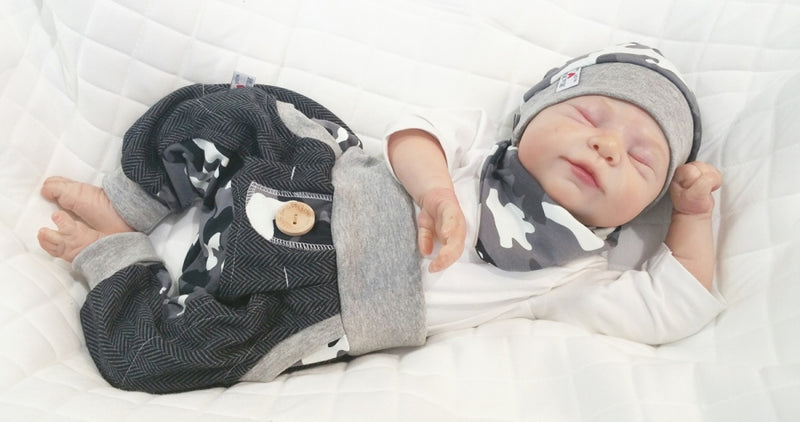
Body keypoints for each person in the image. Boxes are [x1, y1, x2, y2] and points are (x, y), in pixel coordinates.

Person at [37, 43, 724, 394]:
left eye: (642, 157)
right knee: (229, 110)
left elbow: (677, 305)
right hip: (328, 179)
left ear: (646, 205)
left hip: (324, 307)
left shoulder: (579, 275)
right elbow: (411, 134)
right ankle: (134, 202)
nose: (607, 146)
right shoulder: (481, 147)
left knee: (155, 358)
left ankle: (117, 254)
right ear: (532, 117)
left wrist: (693, 215)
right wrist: (435, 191)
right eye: (588, 115)